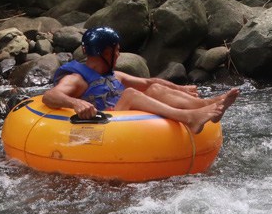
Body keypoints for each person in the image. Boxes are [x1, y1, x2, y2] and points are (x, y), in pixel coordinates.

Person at [43, 26, 239, 134]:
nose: (119, 55)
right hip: (106, 126)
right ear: (106, 52)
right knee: (130, 94)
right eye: (117, 50)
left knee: (152, 88)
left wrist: (180, 89)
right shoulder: (77, 79)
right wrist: (75, 102)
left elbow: (149, 83)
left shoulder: (114, 76)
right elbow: (50, 96)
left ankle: (207, 104)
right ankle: (189, 118)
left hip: (122, 120)